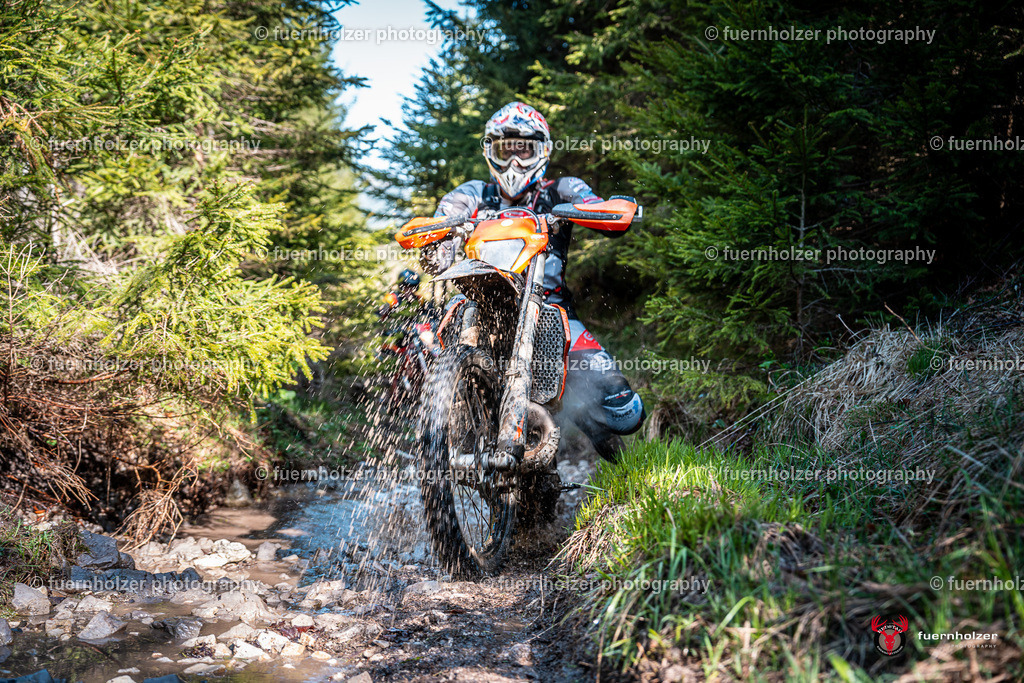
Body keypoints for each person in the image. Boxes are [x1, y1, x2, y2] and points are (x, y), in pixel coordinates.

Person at [419, 101, 645, 461]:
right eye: (505, 149)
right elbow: (445, 216)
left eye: (523, 150)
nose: (514, 160)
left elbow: (593, 204)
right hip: (481, 302)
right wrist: (438, 242)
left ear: (542, 151)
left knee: (623, 410)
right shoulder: (474, 193)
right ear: (491, 152)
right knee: (439, 337)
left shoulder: (560, 190)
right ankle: (451, 428)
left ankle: (603, 442)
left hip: (551, 310)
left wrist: (607, 210)